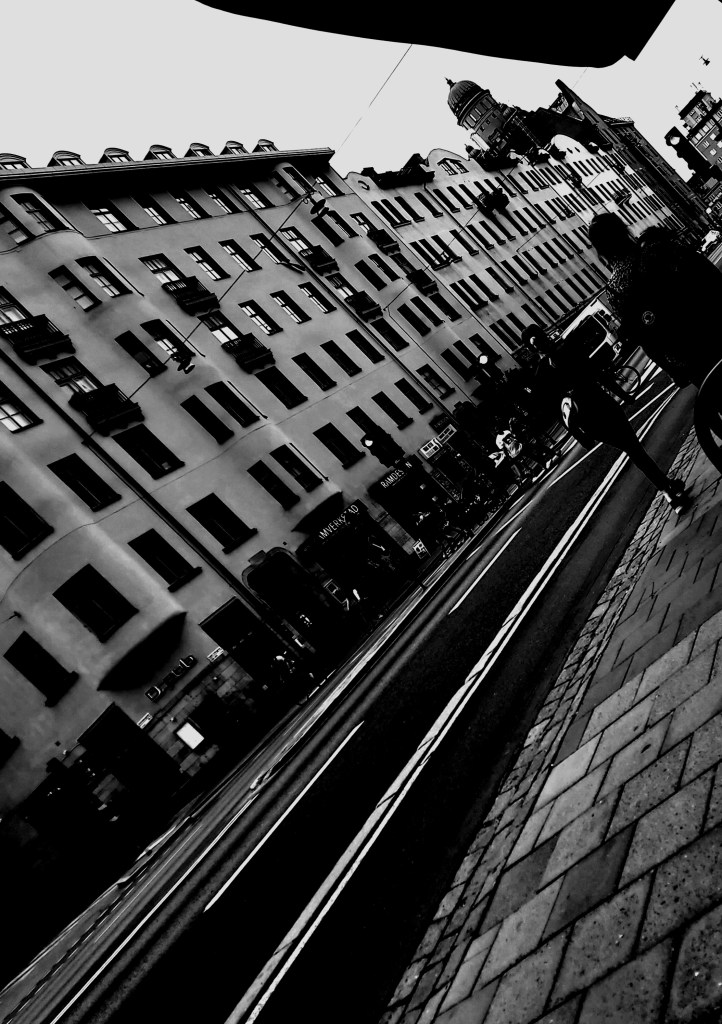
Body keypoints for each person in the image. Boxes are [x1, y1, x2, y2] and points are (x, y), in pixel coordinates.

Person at [521, 324, 690, 514]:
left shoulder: (548, 368)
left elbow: (563, 408)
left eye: (539, 341)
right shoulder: (560, 357)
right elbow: (594, 377)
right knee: (634, 448)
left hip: (594, 415)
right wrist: (622, 396)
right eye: (538, 342)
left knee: (633, 449)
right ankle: (668, 491)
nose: (541, 344)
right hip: (598, 411)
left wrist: (581, 435)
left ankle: (668, 487)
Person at [587, 212, 722, 388]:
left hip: (685, 355)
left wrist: (672, 370)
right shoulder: (658, 249)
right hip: (713, 327)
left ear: (600, 249)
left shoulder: (614, 290)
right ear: (624, 230)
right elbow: (707, 274)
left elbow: (644, 338)